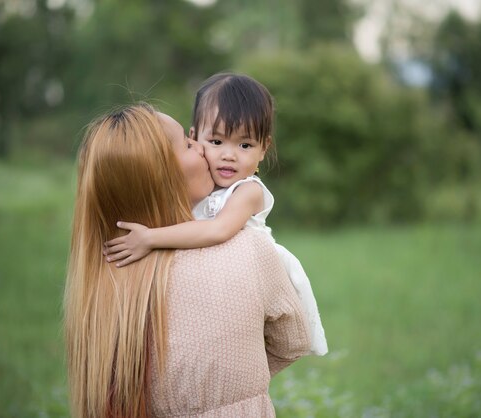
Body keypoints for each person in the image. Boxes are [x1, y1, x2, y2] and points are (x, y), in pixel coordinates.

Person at [64, 103, 310, 418]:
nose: (204, 150)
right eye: (188, 142)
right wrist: (231, 387)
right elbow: (292, 341)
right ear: (163, 175)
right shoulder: (247, 249)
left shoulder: (102, 275)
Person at [103, 73, 328, 356]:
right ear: (195, 137)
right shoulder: (201, 182)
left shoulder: (248, 192)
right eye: (217, 141)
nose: (229, 155)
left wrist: (149, 238)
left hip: (250, 280)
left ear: (263, 149)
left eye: (245, 145)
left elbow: (217, 230)